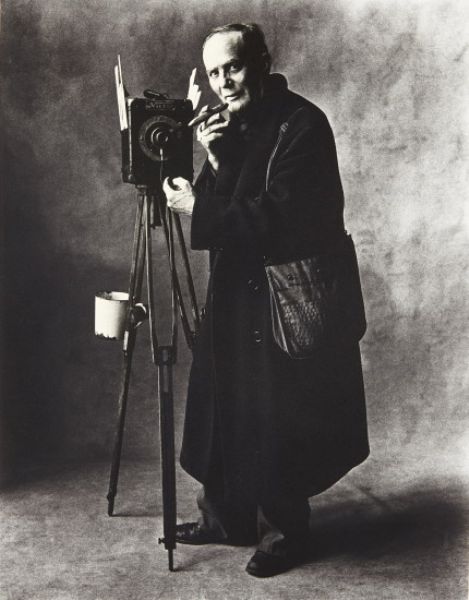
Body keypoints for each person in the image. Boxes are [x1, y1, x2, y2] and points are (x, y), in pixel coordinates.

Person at [163, 22, 369, 577]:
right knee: (219, 402)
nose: (223, 83)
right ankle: (223, 518)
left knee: (276, 415)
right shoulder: (232, 124)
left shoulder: (303, 125)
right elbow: (231, 197)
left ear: (261, 61)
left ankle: (283, 534)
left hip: (283, 294)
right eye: (213, 73)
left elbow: (283, 218)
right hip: (235, 290)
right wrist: (214, 158)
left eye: (232, 67)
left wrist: (197, 208)